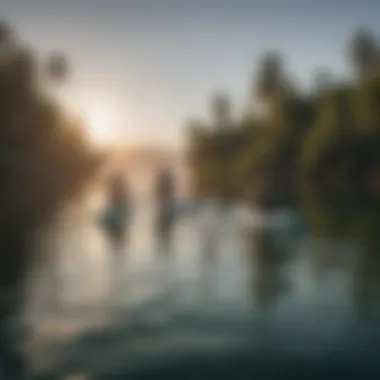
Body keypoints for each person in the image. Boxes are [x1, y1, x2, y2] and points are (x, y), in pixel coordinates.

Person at [154, 166, 177, 255]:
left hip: (166, 215)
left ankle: (164, 247)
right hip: (163, 215)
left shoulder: (169, 203)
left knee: (166, 233)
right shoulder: (162, 201)